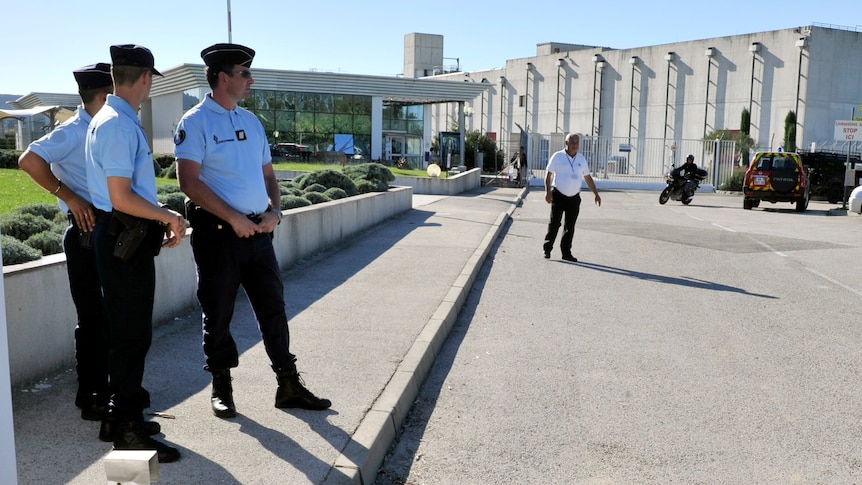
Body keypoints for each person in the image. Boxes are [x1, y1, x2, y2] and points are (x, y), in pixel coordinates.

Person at [174, 43, 331, 420]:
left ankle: (288, 385)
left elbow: (268, 176)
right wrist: (233, 218)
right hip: (218, 235)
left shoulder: (251, 121)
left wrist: (275, 211)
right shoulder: (194, 122)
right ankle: (222, 388)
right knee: (219, 312)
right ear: (222, 77)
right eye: (244, 73)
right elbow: (189, 182)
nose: (251, 79)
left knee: (273, 309)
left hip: (259, 233)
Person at [86, 44, 185, 463]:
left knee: (125, 332)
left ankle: (119, 416)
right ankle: (127, 429)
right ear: (144, 78)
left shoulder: (106, 119)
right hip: (122, 236)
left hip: (121, 236)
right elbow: (120, 196)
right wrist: (169, 216)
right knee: (131, 334)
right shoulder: (120, 126)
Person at [18, 63, 114, 424]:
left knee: (109, 318)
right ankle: (91, 394)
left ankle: (106, 390)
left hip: (108, 232)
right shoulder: (74, 131)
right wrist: (68, 196)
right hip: (87, 233)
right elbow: (28, 159)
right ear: (103, 95)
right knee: (93, 319)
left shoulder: (105, 128)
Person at [543, 133, 601, 262]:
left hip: (574, 197)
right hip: (558, 195)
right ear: (566, 143)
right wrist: (547, 192)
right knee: (555, 223)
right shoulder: (558, 156)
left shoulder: (581, 159)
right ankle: (547, 248)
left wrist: (596, 193)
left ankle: (566, 252)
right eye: (572, 142)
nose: (575, 145)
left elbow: (587, 177)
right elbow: (548, 174)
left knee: (570, 226)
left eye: (577, 142)